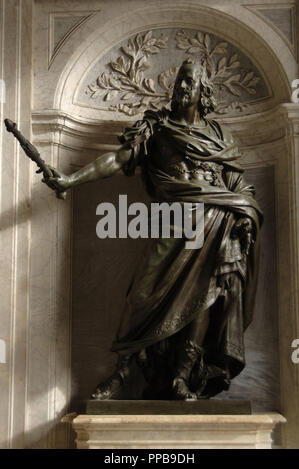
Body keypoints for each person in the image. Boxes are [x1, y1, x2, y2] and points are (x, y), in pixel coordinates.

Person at [44, 59, 262, 400]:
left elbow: (238, 184)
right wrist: (71, 180)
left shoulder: (221, 136)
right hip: (169, 222)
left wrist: (246, 214)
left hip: (215, 223)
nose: (181, 87)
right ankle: (123, 371)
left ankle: (182, 376)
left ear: (204, 89)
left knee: (206, 297)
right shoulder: (156, 128)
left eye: (189, 81)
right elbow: (117, 159)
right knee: (142, 296)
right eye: (179, 81)